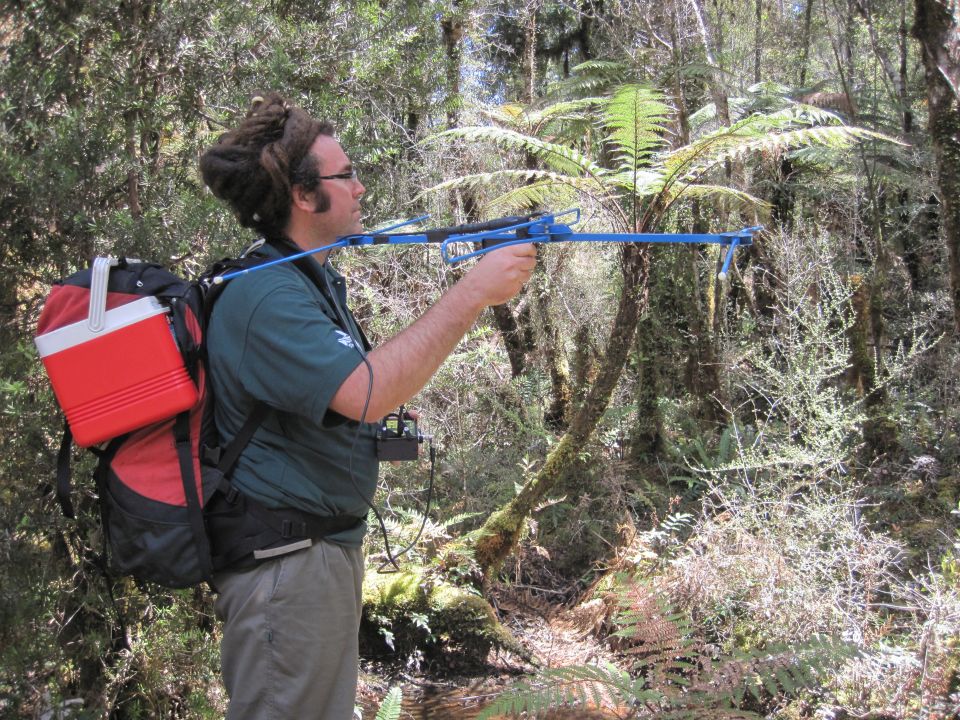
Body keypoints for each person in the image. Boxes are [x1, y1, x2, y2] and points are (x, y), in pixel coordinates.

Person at [198, 92, 536, 719]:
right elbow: (367, 390)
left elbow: (352, 393)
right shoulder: (266, 294)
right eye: (344, 174)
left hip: (314, 557)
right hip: (285, 569)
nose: (358, 186)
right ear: (303, 196)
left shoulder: (310, 278)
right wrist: (473, 293)